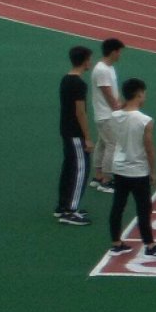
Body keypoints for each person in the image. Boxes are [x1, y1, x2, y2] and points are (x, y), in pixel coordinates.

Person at [104, 78, 156, 260]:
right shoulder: (145, 120)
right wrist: (153, 170)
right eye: (144, 93)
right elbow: (149, 147)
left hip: (119, 167)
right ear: (139, 94)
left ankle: (116, 243)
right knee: (143, 208)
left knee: (118, 206)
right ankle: (150, 245)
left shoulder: (114, 116)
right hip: (138, 170)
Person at [56, 46, 93, 225]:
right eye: (89, 59)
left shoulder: (66, 79)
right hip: (75, 133)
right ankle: (70, 210)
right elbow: (80, 112)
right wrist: (87, 137)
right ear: (85, 61)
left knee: (69, 168)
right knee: (81, 169)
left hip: (65, 129)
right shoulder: (79, 84)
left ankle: (62, 206)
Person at [89, 38, 124, 194]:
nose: (120, 55)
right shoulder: (102, 70)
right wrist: (118, 109)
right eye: (119, 52)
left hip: (105, 114)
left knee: (103, 143)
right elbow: (108, 94)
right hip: (106, 114)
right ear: (113, 52)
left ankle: (98, 176)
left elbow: (114, 92)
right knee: (112, 144)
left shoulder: (108, 68)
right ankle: (107, 180)